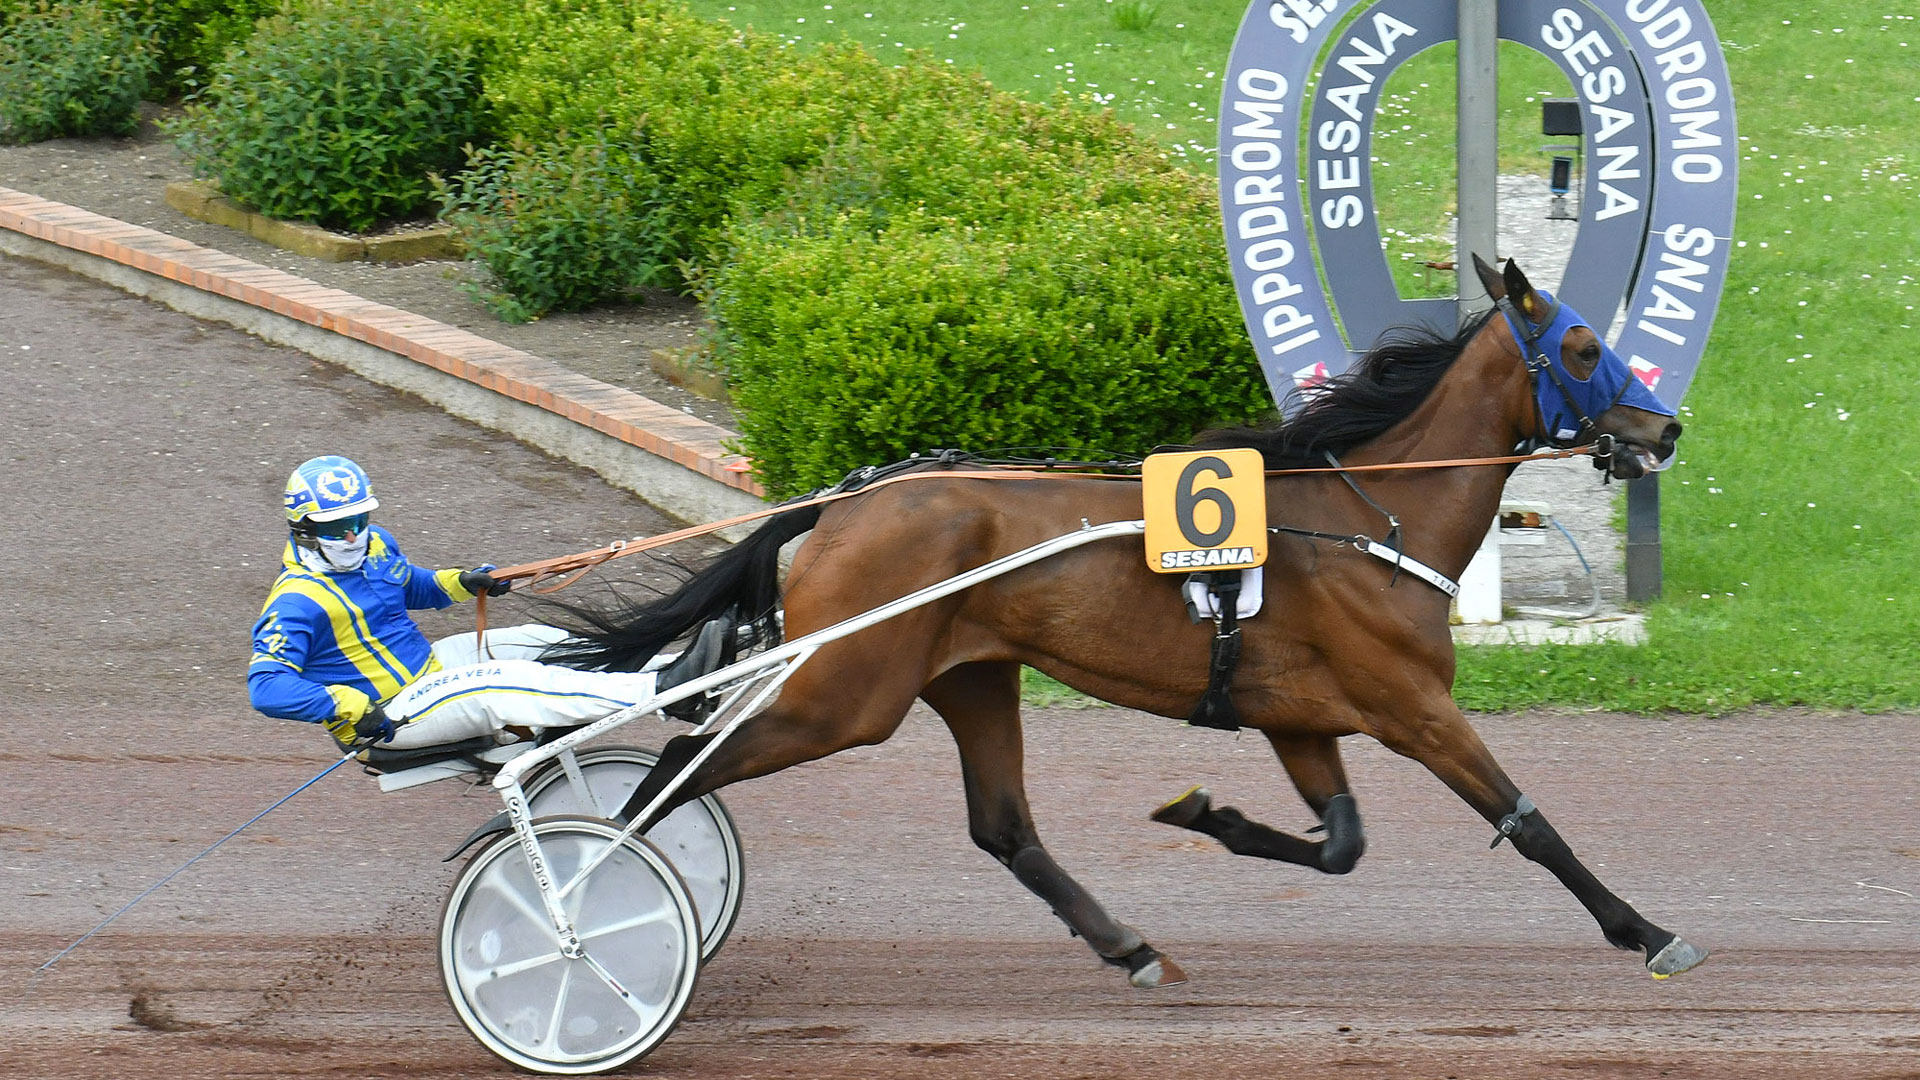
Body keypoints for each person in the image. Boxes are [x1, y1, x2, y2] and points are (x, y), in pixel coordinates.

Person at [248, 455, 724, 754]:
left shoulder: (376, 547)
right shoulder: (296, 602)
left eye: (359, 519)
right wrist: (347, 704)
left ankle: (675, 669)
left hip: (431, 668)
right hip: (390, 714)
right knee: (508, 683)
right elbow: (265, 687)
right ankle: (663, 692)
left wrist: (463, 582)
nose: (352, 534)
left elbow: (409, 587)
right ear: (304, 528)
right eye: (335, 526)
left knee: (544, 642)